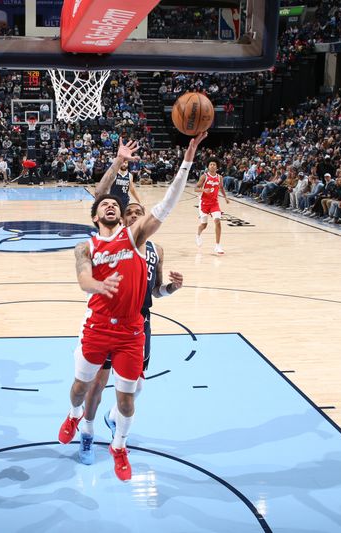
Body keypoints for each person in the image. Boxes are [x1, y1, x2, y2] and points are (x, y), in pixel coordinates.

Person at [58, 132, 206, 482]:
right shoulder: (86, 246)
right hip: (97, 325)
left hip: (132, 328)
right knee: (83, 387)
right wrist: (99, 284)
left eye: (117, 205)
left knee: (128, 397)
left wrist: (188, 158)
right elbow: (82, 280)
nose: (112, 206)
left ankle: (119, 447)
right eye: (106, 206)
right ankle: (74, 415)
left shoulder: (137, 238)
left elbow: (167, 203)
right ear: (96, 215)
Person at [78, 200, 183, 465]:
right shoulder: (117, 245)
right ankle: (87, 431)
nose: (135, 215)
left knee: (136, 386)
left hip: (140, 323)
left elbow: (156, 291)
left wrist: (171, 288)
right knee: (97, 384)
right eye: (130, 213)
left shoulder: (156, 250)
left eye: (139, 213)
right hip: (108, 321)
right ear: (124, 220)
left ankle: (113, 416)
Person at [195, 157, 230, 254]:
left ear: (217, 167)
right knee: (204, 225)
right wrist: (203, 190)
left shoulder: (219, 177)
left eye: (214, 164)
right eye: (211, 164)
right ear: (208, 166)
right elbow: (196, 188)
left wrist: (225, 197)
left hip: (214, 203)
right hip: (204, 203)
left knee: (217, 221)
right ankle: (198, 235)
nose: (212, 166)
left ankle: (217, 245)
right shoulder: (204, 177)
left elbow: (221, 188)